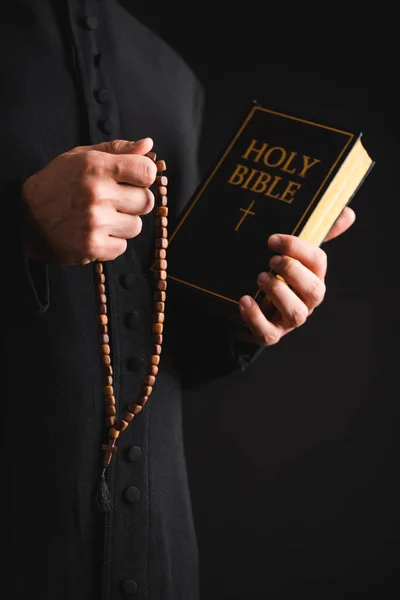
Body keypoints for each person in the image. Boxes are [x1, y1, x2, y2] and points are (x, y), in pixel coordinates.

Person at [2, 1, 355, 599]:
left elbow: (166, 347)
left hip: (160, 553)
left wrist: (251, 316)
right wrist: (22, 225)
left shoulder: (169, 73)